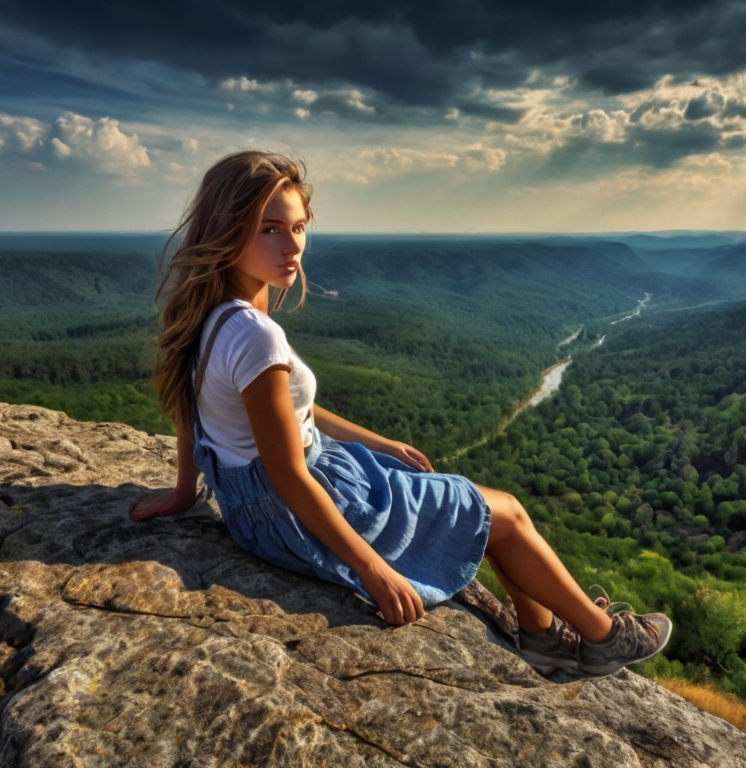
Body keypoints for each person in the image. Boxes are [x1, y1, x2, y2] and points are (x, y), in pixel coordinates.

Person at [129, 150, 671, 677]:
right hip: (301, 509)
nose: (291, 245)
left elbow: (234, 409)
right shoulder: (255, 335)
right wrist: (373, 570)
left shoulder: (211, 315)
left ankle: (546, 639)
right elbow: (288, 474)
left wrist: (185, 492)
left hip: (255, 516)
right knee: (504, 513)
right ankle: (602, 638)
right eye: (269, 229)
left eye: (297, 228)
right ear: (225, 231)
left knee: (467, 502)